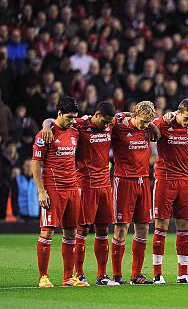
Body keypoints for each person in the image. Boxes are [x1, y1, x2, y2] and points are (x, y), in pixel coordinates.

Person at [42, 101, 121, 286]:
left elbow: (127, 116)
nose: (108, 125)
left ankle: (102, 275)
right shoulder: (80, 124)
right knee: (82, 229)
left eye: (111, 122)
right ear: (96, 115)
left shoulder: (112, 123)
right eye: (105, 121)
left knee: (103, 229)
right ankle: (79, 273)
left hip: (104, 184)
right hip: (84, 185)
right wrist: (46, 125)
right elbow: (52, 121)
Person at [32, 96, 87, 287]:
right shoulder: (45, 134)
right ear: (59, 114)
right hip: (53, 188)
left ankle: (68, 277)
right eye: (69, 117)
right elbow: (36, 164)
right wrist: (41, 191)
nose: (72, 120)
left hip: (72, 187)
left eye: (74, 117)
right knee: (47, 232)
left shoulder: (75, 131)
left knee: (71, 233)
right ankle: (43, 277)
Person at [150, 98, 188, 284]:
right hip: (164, 180)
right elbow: (145, 124)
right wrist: (162, 117)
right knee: (161, 226)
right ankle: (157, 273)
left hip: (184, 181)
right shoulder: (163, 124)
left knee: (184, 227)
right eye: (186, 118)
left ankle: (183, 273)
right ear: (178, 112)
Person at [110, 101, 159, 285]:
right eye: (143, 121)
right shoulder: (118, 127)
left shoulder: (147, 129)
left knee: (143, 228)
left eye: (148, 122)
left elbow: (158, 134)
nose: (145, 125)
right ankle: (116, 275)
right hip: (124, 181)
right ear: (135, 114)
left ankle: (136, 274)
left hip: (143, 180)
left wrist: (151, 124)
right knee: (121, 227)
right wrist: (124, 115)